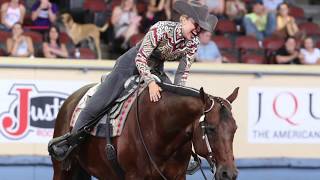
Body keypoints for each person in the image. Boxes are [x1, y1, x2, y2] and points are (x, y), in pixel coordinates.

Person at [48, 0, 218, 161]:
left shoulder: (193, 43)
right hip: (130, 64)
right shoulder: (160, 28)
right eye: (196, 25)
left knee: (172, 106)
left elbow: (182, 74)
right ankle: (71, 142)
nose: (197, 31)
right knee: (100, 101)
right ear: (183, 19)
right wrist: (151, 83)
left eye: (201, 29)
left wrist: (179, 96)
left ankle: (176, 153)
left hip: (156, 68)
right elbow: (140, 58)